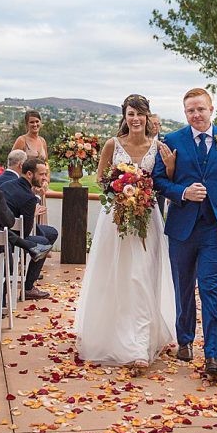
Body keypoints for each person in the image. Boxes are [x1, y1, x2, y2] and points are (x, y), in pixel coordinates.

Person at [152, 87, 217, 380]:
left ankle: (213, 355)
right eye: (190, 111)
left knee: (209, 287)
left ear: (211, 110)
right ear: (185, 113)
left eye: (200, 109)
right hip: (183, 228)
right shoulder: (171, 141)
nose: (196, 115)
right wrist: (183, 191)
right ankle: (185, 340)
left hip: (216, 227)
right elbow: (158, 181)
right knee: (183, 286)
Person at [73, 94, 177, 371]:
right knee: (116, 276)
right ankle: (113, 336)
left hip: (146, 218)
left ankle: (140, 347)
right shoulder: (112, 144)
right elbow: (99, 178)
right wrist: (118, 188)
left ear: (147, 116)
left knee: (142, 277)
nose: (135, 119)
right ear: (125, 116)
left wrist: (166, 170)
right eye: (131, 114)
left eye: (140, 114)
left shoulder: (159, 146)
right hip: (116, 219)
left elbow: (167, 180)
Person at [0, 157, 57, 300]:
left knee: (52, 232)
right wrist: (36, 199)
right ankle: (29, 287)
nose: (45, 178)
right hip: (12, 237)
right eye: (42, 174)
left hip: (1, 228)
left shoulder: (7, 185)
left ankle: (31, 270)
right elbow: (26, 229)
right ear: (29, 174)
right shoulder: (29, 197)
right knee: (44, 243)